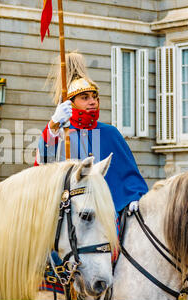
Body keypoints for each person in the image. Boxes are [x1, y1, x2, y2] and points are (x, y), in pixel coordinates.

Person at [36, 51, 148, 220]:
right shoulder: (60, 133)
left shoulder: (110, 133)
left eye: (95, 97)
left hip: (110, 216)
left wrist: (134, 196)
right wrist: (53, 124)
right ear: (70, 103)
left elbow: (129, 176)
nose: (92, 101)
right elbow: (43, 164)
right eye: (84, 97)